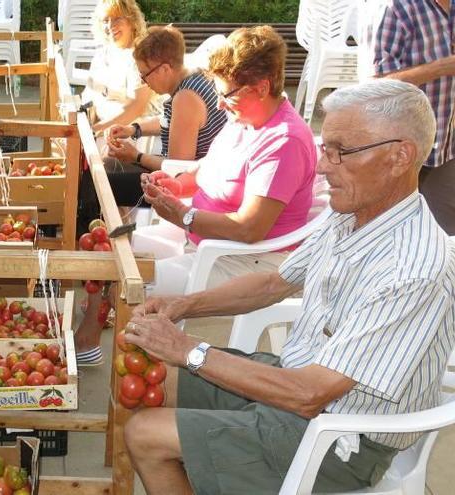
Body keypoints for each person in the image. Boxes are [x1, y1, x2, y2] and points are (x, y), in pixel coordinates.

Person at [123, 79, 455, 495]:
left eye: (342, 151)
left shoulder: (413, 268)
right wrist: (182, 307)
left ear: (399, 156)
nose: (324, 165)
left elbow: (310, 395)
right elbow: (273, 283)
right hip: (295, 384)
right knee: (153, 380)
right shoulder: (354, 211)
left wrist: (189, 349)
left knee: (145, 434)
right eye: (325, 147)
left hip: (341, 438)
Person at [75, 26, 317, 365]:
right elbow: (206, 168)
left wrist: (185, 216)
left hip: (241, 261)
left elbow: (251, 228)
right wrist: (176, 185)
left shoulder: (284, 141)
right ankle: (88, 344)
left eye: (227, 94)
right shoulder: (244, 120)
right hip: (200, 241)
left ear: (261, 88)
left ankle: (110, 357)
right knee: (108, 248)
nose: (218, 103)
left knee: (126, 281)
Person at [104, 25, 228, 207]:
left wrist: (136, 156)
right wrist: (133, 129)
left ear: (164, 69)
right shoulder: (196, 75)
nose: (143, 82)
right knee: (104, 166)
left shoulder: (186, 98)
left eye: (144, 75)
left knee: (99, 180)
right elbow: (173, 122)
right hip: (187, 174)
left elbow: (176, 167)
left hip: (189, 186)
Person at [359, 0, 455, 235]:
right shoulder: (394, 8)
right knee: (391, 235)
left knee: (442, 238)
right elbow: (374, 85)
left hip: (445, 146)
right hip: (398, 149)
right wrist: (442, 67)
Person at [81, 0, 159, 135]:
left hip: (134, 132)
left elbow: (136, 108)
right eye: (105, 20)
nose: (110, 26)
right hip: (104, 127)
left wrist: (95, 130)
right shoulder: (101, 54)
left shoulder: (140, 57)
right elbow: (88, 95)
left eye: (117, 19)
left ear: (132, 22)